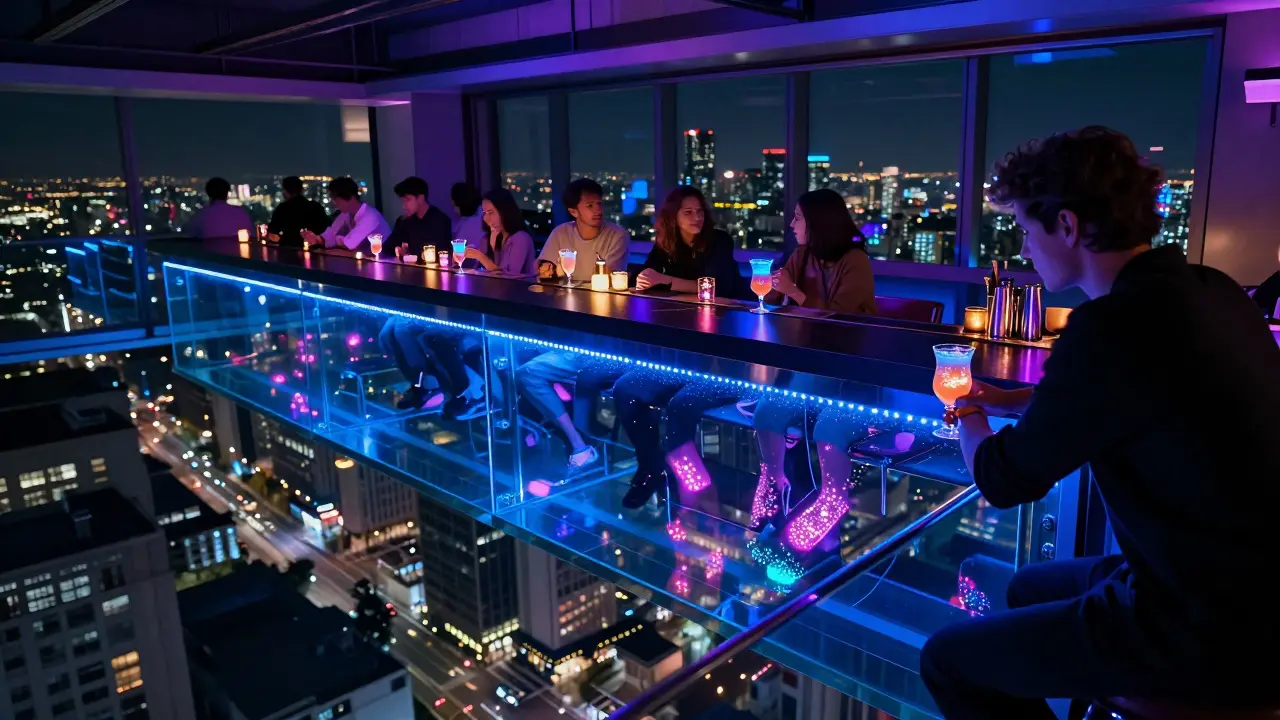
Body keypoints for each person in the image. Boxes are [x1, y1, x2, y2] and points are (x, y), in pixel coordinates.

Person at [919, 126, 1280, 719]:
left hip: (1200, 625)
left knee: (947, 661)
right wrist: (1012, 400)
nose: (1026, 247)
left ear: (1067, 225)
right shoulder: (1210, 290)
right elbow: (1134, 394)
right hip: (1258, 592)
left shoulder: (1112, 327)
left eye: (1027, 229)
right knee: (1025, 587)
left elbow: (1002, 480)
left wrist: (963, 404)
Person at [749, 189, 877, 540]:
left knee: (825, 428)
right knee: (765, 413)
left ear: (818, 222)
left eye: (798, 217)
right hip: (808, 361)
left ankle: (833, 499)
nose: (791, 224)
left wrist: (795, 291)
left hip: (847, 367)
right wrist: (771, 287)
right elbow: (778, 297)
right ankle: (774, 480)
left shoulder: (855, 261)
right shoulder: (802, 255)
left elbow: (841, 318)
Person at [611, 187, 748, 508]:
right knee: (625, 390)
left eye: (699, 211)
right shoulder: (665, 246)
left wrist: (665, 280)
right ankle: (651, 465)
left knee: (679, 407)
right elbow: (648, 275)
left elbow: (714, 287)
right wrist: (646, 279)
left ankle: (695, 494)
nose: (697, 217)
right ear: (672, 217)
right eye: (688, 212)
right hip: (678, 353)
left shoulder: (718, 241)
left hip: (722, 355)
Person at [537, 178, 630, 280]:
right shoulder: (560, 233)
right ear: (573, 212)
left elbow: (609, 277)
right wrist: (545, 269)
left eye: (599, 203)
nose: (598, 210)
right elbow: (541, 269)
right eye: (590, 205)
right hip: (565, 294)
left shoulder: (617, 235)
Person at [302, 177, 390, 251]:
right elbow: (329, 235)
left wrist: (326, 245)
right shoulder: (345, 215)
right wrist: (315, 238)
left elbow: (348, 246)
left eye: (335, 199)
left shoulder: (370, 216)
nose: (334, 203)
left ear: (350, 197)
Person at [462, 189, 535, 276]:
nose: (486, 218)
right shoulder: (486, 239)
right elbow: (476, 270)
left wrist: (480, 256)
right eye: (484, 213)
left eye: (491, 212)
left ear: (504, 211)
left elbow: (508, 278)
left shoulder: (520, 238)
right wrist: (469, 256)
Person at [388, 176, 453, 254]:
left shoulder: (441, 221)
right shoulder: (405, 222)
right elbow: (388, 247)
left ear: (420, 198)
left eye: (407, 200)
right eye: (403, 201)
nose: (404, 206)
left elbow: (443, 254)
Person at [267, 176, 329, 248]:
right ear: (302, 190)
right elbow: (325, 229)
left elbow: (273, 231)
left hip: (287, 252)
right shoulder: (315, 207)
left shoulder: (282, 209)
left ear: (285, 191)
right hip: (314, 251)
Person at [187, 177, 253, 240]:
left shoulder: (199, 216)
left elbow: (192, 239)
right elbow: (251, 234)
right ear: (227, 194)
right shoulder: (241, 214)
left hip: (208, 251)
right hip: (237, 251)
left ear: (208, 194)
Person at [451, 182, 488, 260]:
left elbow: (457, 252)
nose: (452, 203)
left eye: (453, 201)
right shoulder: (479, 217)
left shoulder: (469, 223)